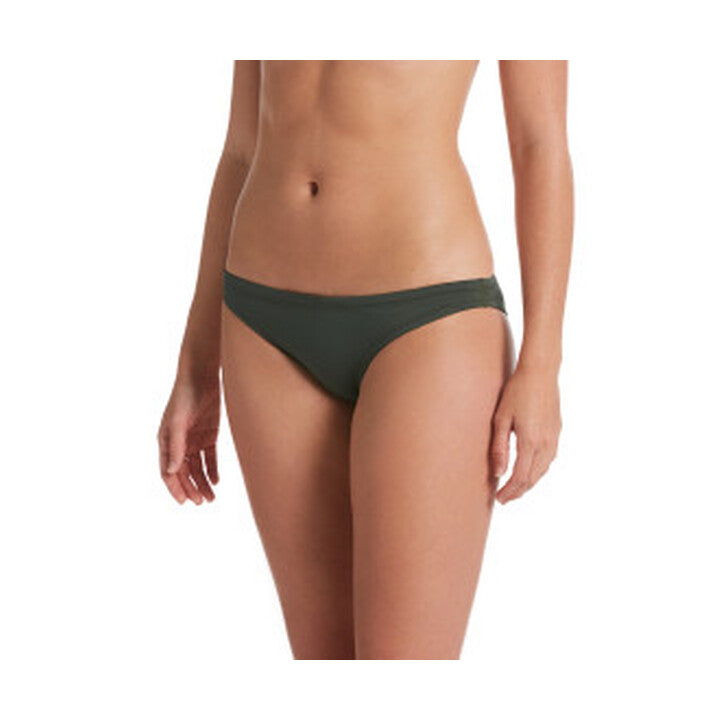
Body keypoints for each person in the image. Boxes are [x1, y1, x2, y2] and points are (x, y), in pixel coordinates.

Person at [157, 60, 573, 660]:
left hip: (427, 318)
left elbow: (540, 142)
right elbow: (243, 146)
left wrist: (542, 363)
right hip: (262, 321)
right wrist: (197, 359)